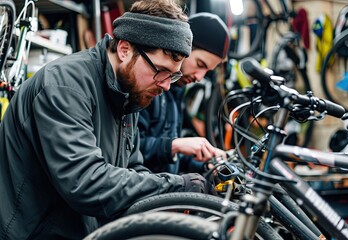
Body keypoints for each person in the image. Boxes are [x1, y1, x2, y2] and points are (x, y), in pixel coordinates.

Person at [0, 0, 211, 239]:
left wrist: (174, 201)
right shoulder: (64, 86)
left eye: (172, 76)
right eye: (160, 71)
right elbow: (84, 182)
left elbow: (132, 168)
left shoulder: (128, 95)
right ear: (124, 50)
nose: (165, 84)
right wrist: (176, 186)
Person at [138, 12, 230, 174]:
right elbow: (129, 151)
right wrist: (175, 145)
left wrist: (206, 166)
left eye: (206, 71)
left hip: (164, 188)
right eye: (200, 64)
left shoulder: (176, 92)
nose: (199, 77)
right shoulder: (148, 86)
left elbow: (170, 159)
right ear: (182, 47)